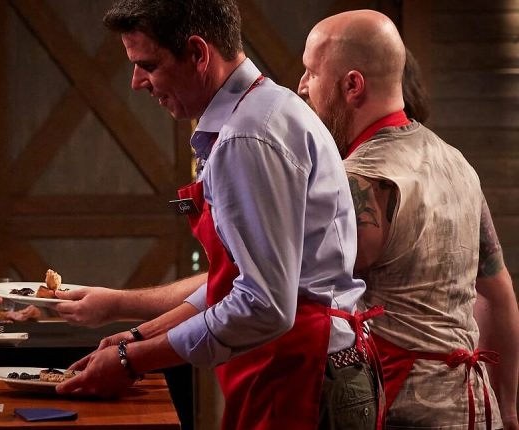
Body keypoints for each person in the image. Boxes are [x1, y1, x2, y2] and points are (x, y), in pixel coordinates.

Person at [56, 1, 378, 429]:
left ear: (197, 53)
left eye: (148, 65)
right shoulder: (265, 109)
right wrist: (138, 336)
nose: (136, 82)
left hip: (302, 376)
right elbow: (234, 281)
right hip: (301, 367)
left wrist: (132, 360)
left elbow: (263, 305)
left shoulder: (246, 137)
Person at [298, 10, 519, 430]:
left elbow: (277, 285)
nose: (302, 86)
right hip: (476, 409)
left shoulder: (356, 179)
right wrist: (507, 409)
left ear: (352, 85)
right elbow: (496, 291)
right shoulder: (458, 164)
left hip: (406, 411)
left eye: (311, 72)